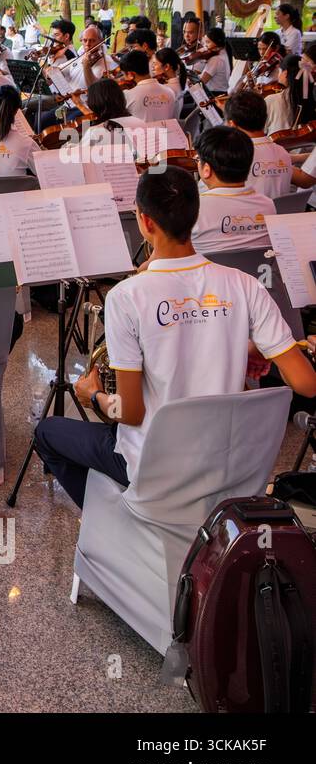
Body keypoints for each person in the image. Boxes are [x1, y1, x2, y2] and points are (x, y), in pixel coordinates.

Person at [34, 166, 316, 508]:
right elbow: (307, 384)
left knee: (47, 433)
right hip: (226, 460)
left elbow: (130, 412)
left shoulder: (127, 296)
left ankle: (114, 521)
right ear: (194, 216)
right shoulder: (244, 284)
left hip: (154, 465)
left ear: (145, 222)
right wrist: (255, 350)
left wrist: (93, 396)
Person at [190, 124, 275, 254]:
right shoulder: (268, 205)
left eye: (197, 159)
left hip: (206, 274)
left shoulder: (192, 208)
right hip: (256, 273)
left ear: (206, 170)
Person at [222, 89, 310, 199]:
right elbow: (304, 180)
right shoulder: (281, 152)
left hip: (248, 214)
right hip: (280, 214)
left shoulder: (232, 154)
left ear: (232, 124)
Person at [120, 50, 177, 123]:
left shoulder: (127, 95)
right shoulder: (170, 91)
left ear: (131, 74)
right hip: (167, 133)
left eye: (123, 75)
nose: (123, 78)